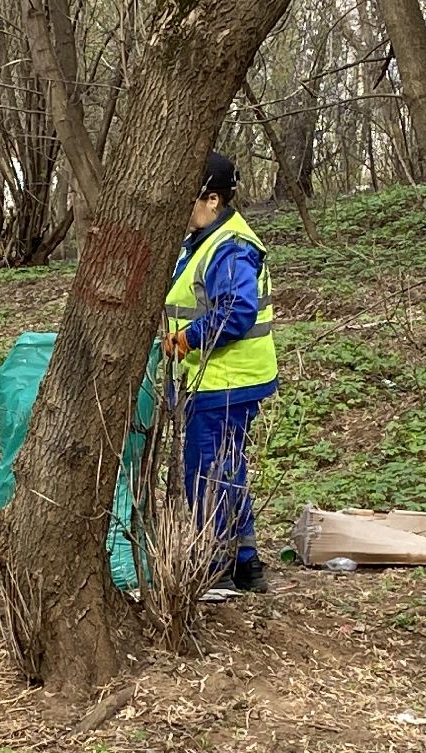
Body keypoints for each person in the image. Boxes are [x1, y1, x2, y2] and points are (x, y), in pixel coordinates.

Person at [160, 151, 277, 598]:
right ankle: (246, 565)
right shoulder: (205, 239)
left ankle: (216, 566)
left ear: (211, 198)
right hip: (215, 380)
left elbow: (237, 311)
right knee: (225, 471)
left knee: (208, 475)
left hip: (224, 381)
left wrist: (186, 340)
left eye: (187, 199)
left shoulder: (229, 246)